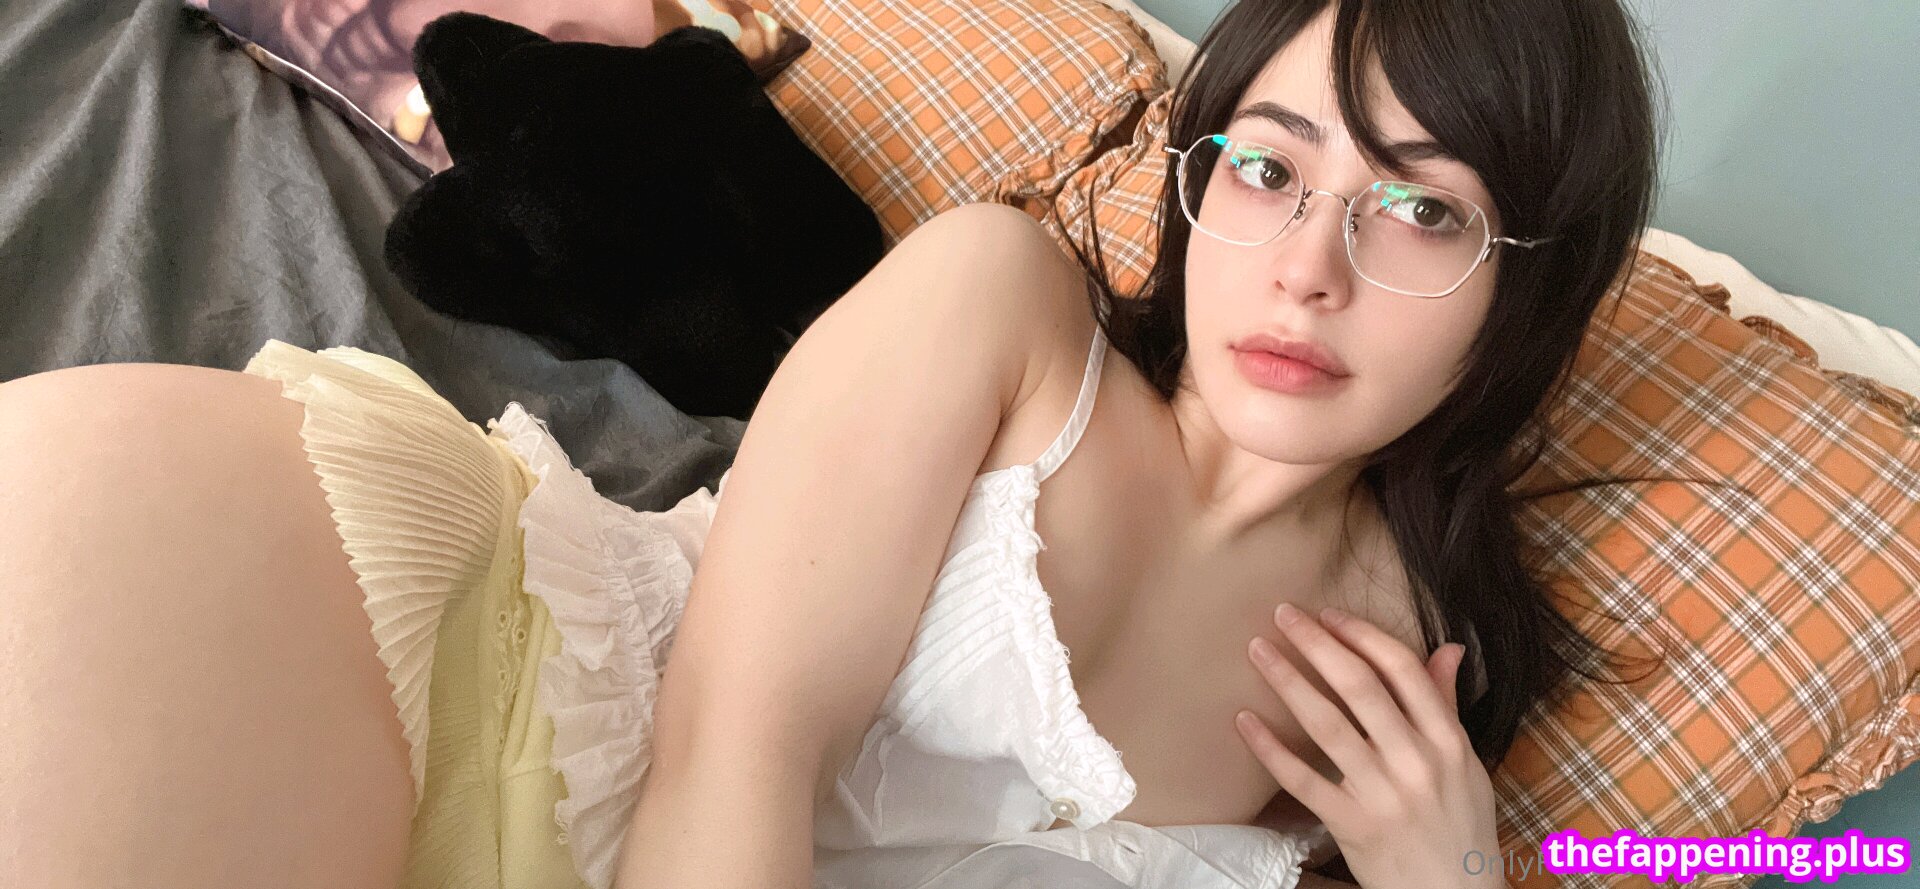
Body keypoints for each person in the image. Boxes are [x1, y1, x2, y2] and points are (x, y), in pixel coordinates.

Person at [0, 0, 1670, 887]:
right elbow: (738, 742)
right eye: (1269, 166)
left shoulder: (1411, 680)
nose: (1309, 268)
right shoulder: (1002, 301)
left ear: (1533, 284)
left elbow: (1794, 857)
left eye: (1421, 209)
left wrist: (1459, 873)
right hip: (428, 669)